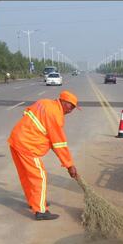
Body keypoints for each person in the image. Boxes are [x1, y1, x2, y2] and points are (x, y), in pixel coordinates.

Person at [8, 90, 80, 221]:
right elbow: (59, 143)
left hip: (16, 140)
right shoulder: (55, 115)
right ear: (63, 102)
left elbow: (27, 113)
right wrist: (69, 165)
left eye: (74, 108)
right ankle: (40, 211)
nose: (71, 110)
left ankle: (35, 202)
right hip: (27, 146)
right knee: (39, 177)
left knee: (27, 176)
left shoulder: (44, 102)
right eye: (71, 106)